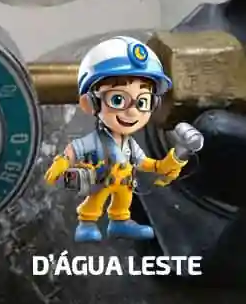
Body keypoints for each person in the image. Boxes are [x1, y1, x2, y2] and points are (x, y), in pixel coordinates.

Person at [44, 36, 190, 243]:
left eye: (142, 102)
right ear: (91, 103)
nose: (132, 112)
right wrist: (62, 162)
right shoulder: (97, 141)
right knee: (95, 202)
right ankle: (87, 223)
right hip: (101, 180)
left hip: (124, 181)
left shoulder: (129, 144)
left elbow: (143, 162)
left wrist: (168, 162)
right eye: (118, 99)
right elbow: (75, 149)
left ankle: (120, 222)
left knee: (123, 199)